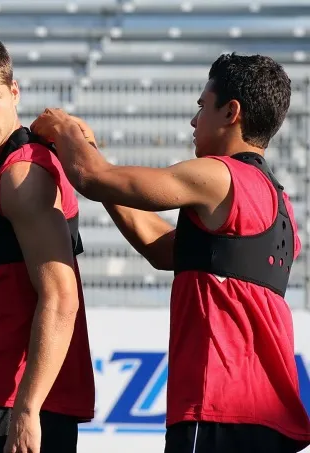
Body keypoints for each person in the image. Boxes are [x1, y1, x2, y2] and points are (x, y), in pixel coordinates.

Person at [31, 53, 310, 453]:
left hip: (217, 406)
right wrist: (88, 151)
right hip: (266, 417)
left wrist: (62, 127)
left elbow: (93, 177)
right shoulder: (278, 202)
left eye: (202, 106)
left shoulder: (220, 175)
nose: (194, 121)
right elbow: (162, 249)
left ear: (231, 112)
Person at [0, 32, 95, 453]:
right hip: (4, 397)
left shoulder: (21, 173)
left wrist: (27, 410)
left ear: (14, 92)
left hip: (18, 403)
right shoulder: (5, 170)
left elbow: (61, 297)